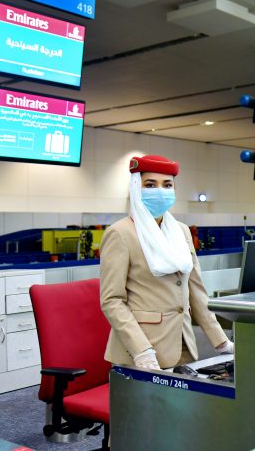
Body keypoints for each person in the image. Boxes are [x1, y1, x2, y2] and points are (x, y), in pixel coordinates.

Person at [100, 155, 233, 370]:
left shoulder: (181, 231)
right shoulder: (120, 233)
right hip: (142, 350)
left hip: (184, 344)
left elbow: (196, 290)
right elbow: (112, 300)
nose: (160, 191)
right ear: (136, 188)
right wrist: (141, 350)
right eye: (150, 185)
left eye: (167, 185)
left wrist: (220, 340)